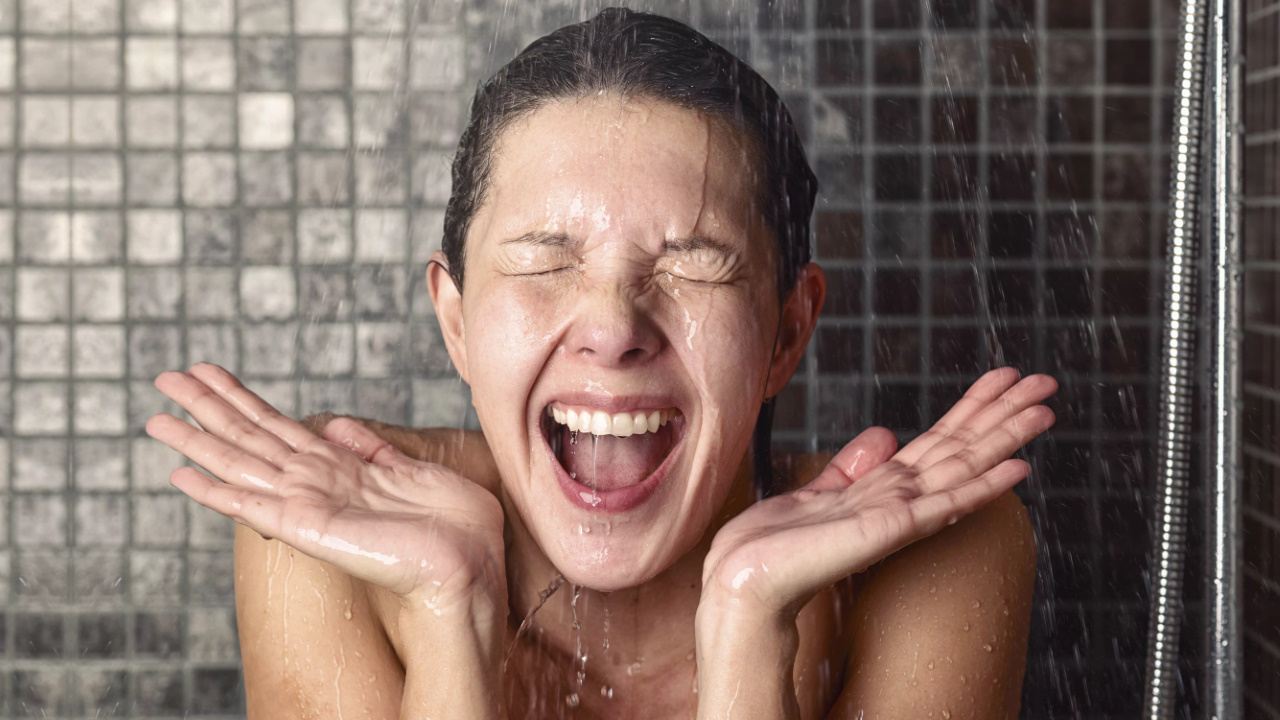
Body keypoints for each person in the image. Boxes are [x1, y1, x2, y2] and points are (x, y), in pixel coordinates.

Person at [145, 8, 1057, 718]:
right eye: (546, 261)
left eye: (694, 264)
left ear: (785, 332)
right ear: (455, 322)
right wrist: (445, 614)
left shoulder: (927, 551)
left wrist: (749, 632)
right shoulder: (326, 529)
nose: (614, 326)